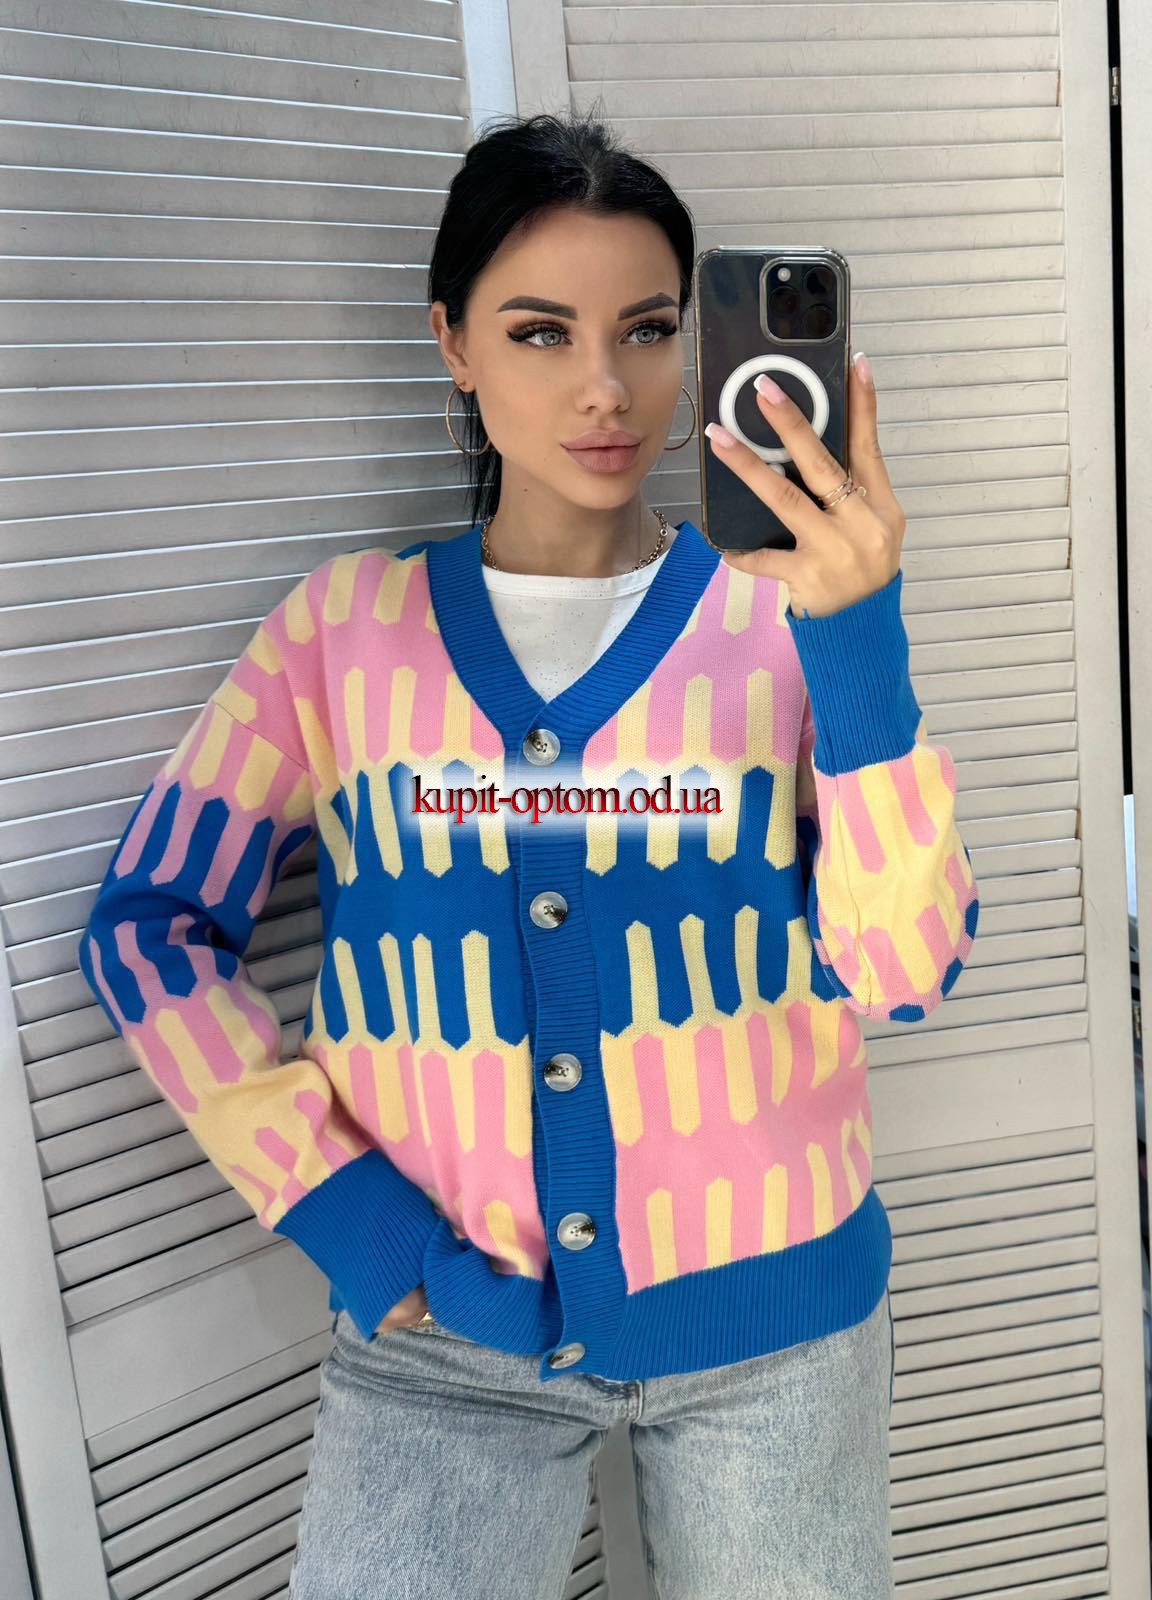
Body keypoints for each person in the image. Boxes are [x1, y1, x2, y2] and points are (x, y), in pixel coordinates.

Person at [80, 110, 979, 1599]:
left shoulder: (785, 623)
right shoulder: (340, 637)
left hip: (779, 1340)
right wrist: (349, 1217)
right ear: (453, 342)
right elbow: (148, 929)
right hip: (442, 1342)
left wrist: (862, 642)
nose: (605, 386)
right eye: (541, 331)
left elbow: (904, 972)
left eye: (646, 329)